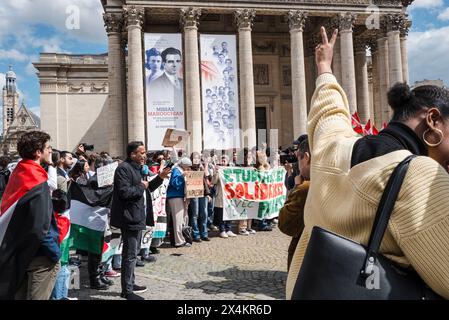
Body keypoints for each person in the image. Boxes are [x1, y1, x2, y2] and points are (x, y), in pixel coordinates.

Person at [286, 26, 449, 299]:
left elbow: (328, 113)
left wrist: (324, 66)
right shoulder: (420, 175)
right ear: (433, 120)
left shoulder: (332, 150)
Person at [0, 131, 60, 300]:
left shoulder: (18, 173)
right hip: (40, 254)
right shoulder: (37, 179)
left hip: (19, 252)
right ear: (38, 152)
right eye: (48, 148)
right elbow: (41, 224)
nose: (51, 151)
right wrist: (54, 253)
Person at [110, 141, 171, 300]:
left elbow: (148, 187)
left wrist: (160, 177)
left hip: (138, 215)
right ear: (132, 154)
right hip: (128, 217)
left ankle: (130, 282)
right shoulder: (123, 169)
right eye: (141, 153)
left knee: (134, 253)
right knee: (129, 254)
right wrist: (142, 187)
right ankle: (127, 291)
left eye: (145, 153)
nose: (144, 156)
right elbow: (125, 192)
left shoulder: (138, 168)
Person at [278, 136, 310, 271]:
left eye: (299, 158)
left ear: (306, 157)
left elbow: (285, 224)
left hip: (305, 261)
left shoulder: (305, 188)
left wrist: (298, 187)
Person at [167, 157, 192, 247]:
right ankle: (179, 240)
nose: (188, 168)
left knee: (182, 219)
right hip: (175, 196)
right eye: (187, 166)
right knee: (178, 219)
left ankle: (182, 238)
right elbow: (174, 183)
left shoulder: (179, 170)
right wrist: (182, 176)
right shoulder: (176, 170)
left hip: (180, 196)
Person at [212, 154, 237, 238]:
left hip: (229, 196)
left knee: (229, 212)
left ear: (228, 162)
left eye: (224, 160)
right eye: (222, 160)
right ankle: (222, 230)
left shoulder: (231, 170)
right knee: (221, 213)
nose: (223, 162)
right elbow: (214, 182)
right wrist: (216, 172)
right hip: (221, 195)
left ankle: (228, 229)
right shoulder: (219, 170)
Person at [188, 152, 210, 242]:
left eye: (198, 158)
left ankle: (204, 233)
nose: (196, 159)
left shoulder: (201, 167)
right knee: (195, 214)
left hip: (203, 193)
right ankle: (196, 234)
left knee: (204, 214)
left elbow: (207, 178)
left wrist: (205, 165)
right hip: (194, 193)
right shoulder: (189, 168)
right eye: (194, 158)